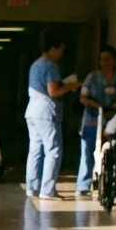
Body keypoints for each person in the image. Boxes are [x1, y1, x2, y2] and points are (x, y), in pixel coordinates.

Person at [24, 35, 81, 199]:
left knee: (35, 150)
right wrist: (70, 86)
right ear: (53, 48)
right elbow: (53, 92)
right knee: (53, 150)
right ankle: (47, 190)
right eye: (61, 50)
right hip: (46, 112)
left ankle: (32, 187)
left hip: (32, 111)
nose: (61, 54)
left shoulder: (35, 65)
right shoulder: (51, 66)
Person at [76, 44, 116, 196]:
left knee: (115, 149)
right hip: (93, 117)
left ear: (114, 60)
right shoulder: (92, 77)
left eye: (107, 59)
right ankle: (83, 184)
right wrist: (97, 106)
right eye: (101, 60)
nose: (104, 63)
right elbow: (83, 97)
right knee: (88, 150)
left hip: (114, 117)